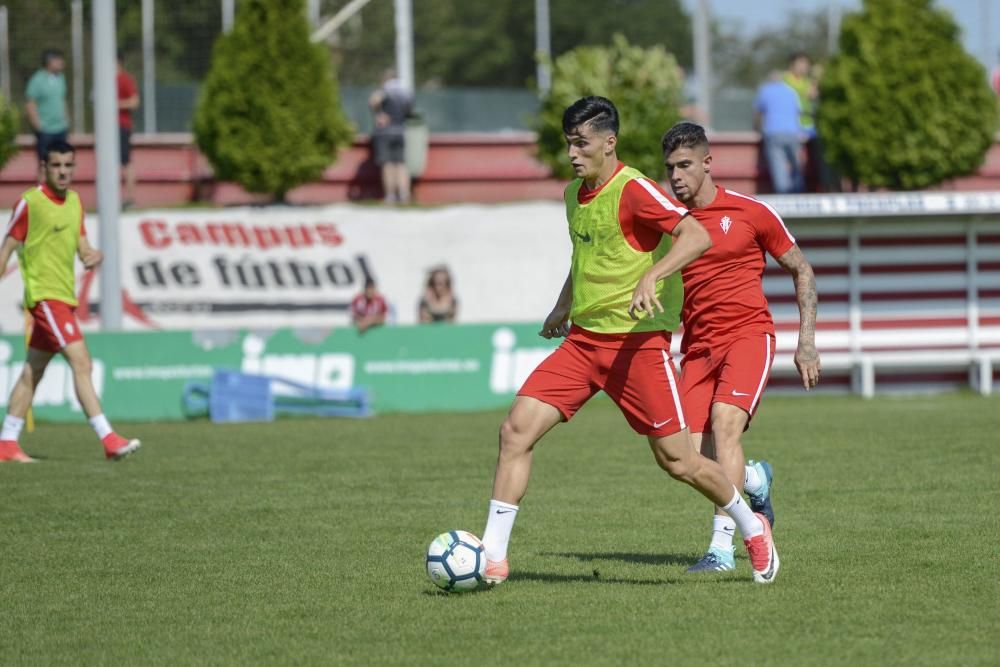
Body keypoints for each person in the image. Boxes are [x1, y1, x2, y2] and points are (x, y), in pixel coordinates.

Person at [480, 96, 779, 586]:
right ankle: (492, 555)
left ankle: (752, 528)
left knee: (679, 460)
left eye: (582, 143)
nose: (573, 153)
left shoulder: (634, 189)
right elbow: (586, 259)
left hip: (637, 349)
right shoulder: (573, 195)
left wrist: (652, 277)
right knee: (515, 431)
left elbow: (694, 237)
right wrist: (562, 305)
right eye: (569, 144)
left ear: (609, 142)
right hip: (582, 345)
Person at [660, 121, 819, 573]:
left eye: (685, 165)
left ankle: (722, 548)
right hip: (697, 349)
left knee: (724, 427)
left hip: (749, 336)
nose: (676, 176)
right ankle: (753, 479)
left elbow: (802, 270)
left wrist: (805, 343)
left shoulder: (751, 211)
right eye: (670, 167)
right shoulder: (669, 222)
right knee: (685, 456)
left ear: (708, 163)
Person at [0, 140, 140, 463]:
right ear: (43, 168)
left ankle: (7, 442)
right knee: (82, 363)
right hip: (45, 298)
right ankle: (108, 437)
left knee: (32, 372)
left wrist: (93, 256)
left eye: (68, 165)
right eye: (56, 166)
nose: (63, 172)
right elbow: (7, 249)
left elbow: (83, 247)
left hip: (65, 297)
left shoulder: (75, 202)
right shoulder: (30, 203)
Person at [753, 70, 804, 194]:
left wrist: (757, 128)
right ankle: (800, 193)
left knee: (778, 167)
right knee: (797, 165)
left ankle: (784, 196)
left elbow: (758, 114)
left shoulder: (764, 91)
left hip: (773, 133)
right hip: (792, 133)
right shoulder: (791, 91)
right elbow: (798, 112)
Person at [369, 69, 413, 204]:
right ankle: (404, 195)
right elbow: (409, 111)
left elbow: (373, 101)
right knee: (401, 164)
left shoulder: (385, 90)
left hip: (385, 132)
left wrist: (378, 113)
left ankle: (391, 196)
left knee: (388, 165)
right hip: (400, 131)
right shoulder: (405, 92)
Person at [25, 49, 70, 182]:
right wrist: (38, 125)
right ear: (49, 62)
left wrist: (67, 120)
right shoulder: (37, 80)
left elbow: (62, 100)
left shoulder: (61, 78)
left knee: (62, 164)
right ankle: (41, 197)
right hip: (45, 130)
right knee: (44, 164)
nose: (62, 62)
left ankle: (58, 197)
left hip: (61, 128)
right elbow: (30, 104)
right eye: (58, 59)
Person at [117, 52, 140, 209]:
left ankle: (130, 198)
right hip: (107, 130)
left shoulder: (125, 79)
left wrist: (114, 104)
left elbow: (134, 102)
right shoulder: (102, 79)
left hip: (122, 126)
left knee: (125, 162)